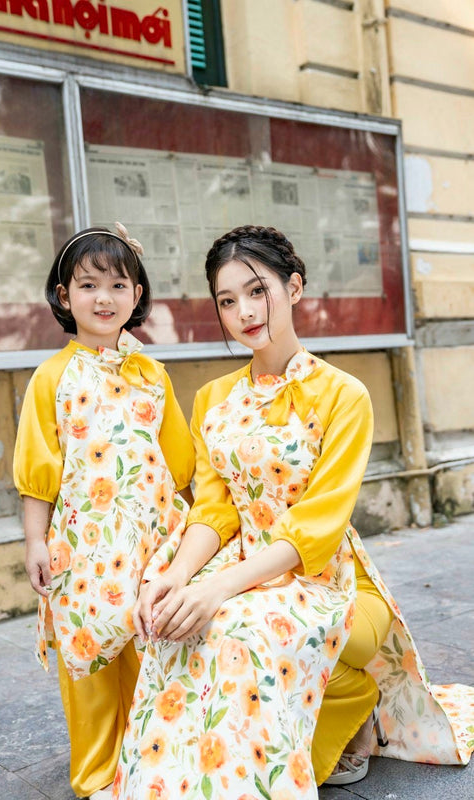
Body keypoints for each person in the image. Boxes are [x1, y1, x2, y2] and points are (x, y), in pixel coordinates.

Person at [112, 225, 474, 799]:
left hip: (322, 573)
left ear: (295, 287)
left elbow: (316, 527)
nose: (245, 312)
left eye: (257, 291)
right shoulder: (212, 400)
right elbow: (215, 509)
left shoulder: (342, 394)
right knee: (168, 620)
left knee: (233, 625)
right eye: (227, 301)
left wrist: (218, 590)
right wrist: (177, 575)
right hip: (240, 558)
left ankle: (343, 707)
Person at [13, 224, 194, 799]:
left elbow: (182, 463)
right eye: (88, 285)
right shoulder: (52, 378)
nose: (104, 298)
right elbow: (38, 472)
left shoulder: (152, 375)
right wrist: (35, 542)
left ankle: (149, 768)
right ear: (64, 296)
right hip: (83, 551)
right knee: (90, 661)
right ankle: (95, 778)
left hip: (149, 545)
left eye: (118, 284)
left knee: (150, 656)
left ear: (136, 296)